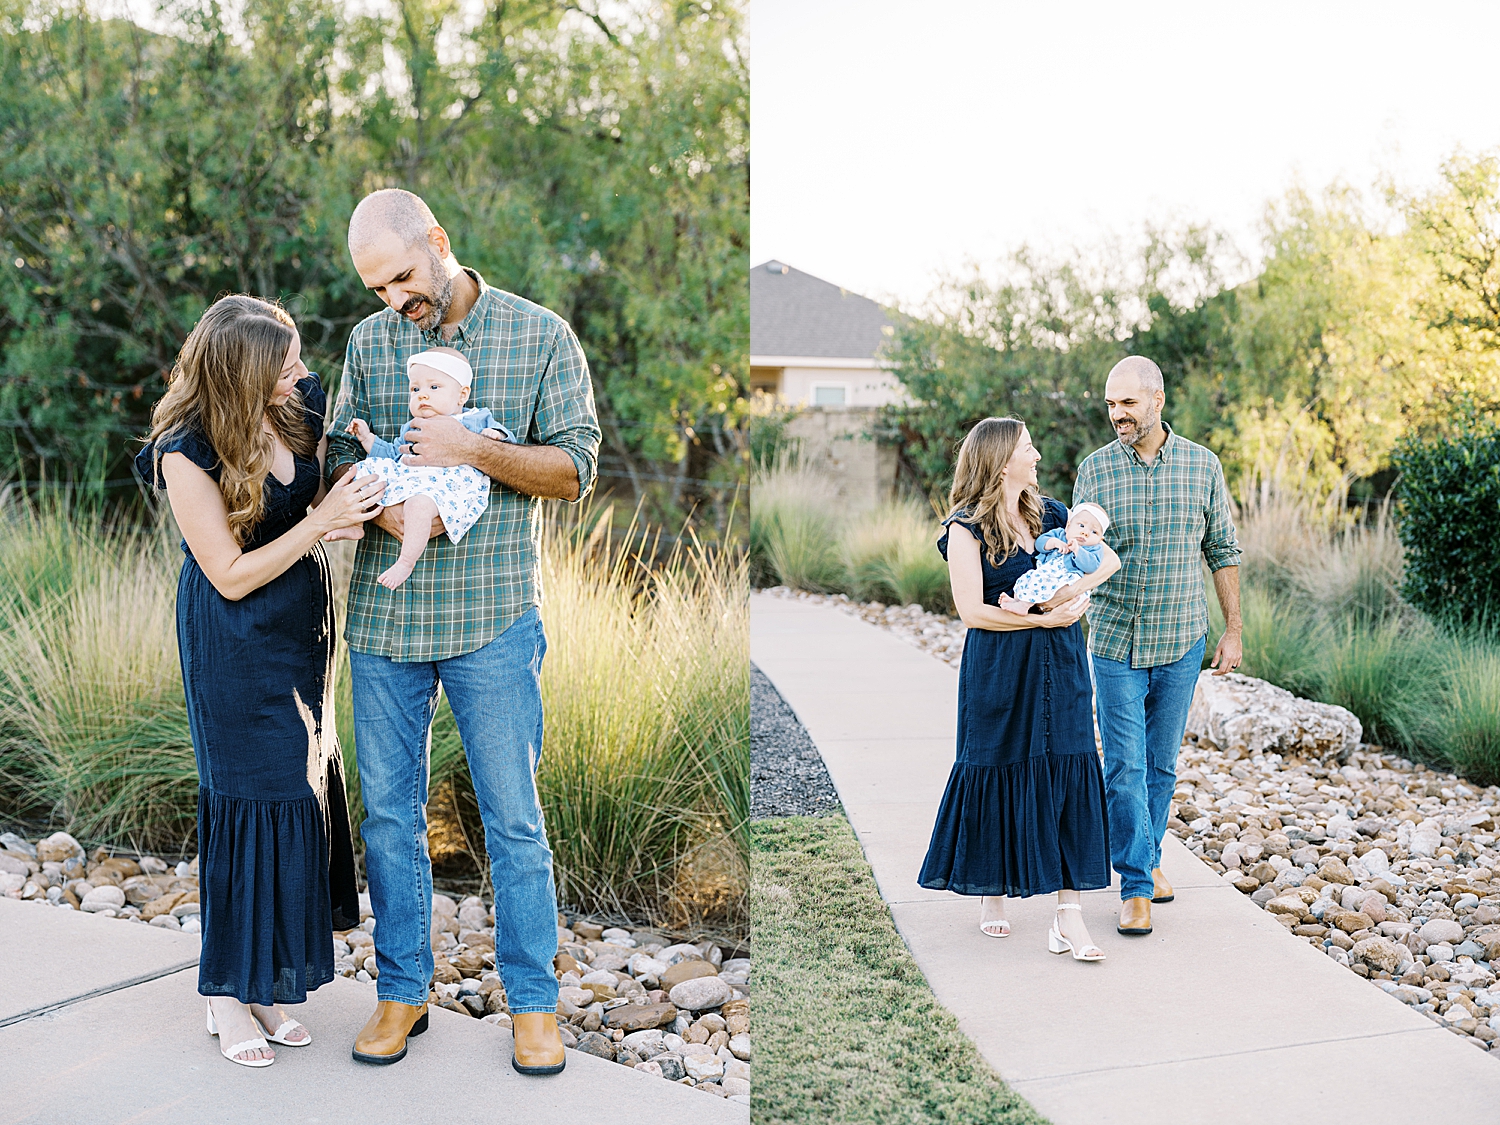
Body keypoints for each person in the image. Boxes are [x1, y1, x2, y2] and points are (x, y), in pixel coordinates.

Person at [326, 188, 601, 1075]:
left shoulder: (539, 335)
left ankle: (533, 1002)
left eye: (403, 279)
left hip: (493, 621)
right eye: (377, 289)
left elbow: (574, 470)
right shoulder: (369, 345)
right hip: (383, 621)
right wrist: (402, 509)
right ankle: (402, 991)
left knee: (513, 819)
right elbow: (337, 455)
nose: (394, 302)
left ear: (438, 244)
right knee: (390, 823)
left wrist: (472, 451)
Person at [135, 294, 384, 1068]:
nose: (304, 374)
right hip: (235, 642)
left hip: (305, 633)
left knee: (297, 793)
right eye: (287, 365)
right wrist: (320, 522)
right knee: (250, 800)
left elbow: (315, 489)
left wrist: (363, 466)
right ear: (244, 373)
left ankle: (264, 982)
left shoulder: (295, 407)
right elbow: (231, 573)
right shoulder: (186, 448)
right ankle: (223, 992)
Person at [917, 417, 1121, 961]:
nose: (1036, 455)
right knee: (996, 762)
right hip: (1001, 666)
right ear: (1003, 459)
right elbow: (972, 612)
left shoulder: (1055, 514)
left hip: (1061, 664)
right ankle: (992, 892)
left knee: (1069, 765)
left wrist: (1066, 595)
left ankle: (1069, 918)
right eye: (1028, 448)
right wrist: (1040, 620)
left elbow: (1107, 561)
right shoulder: (966, 527)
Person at [1073, 355, 1243, 937]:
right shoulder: (1094, 471)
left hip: (1180, 643)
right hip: (1116, 640)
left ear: (1157, 400)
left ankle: (1146, 857)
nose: (1116, 414)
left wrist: (1234, 628)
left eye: (1127, 403)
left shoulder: (1202, 466)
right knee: (1123, 765)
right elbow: (1079, 554)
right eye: (1110, 404)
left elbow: (1222, 549)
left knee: (1161, 766)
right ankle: (1137, 886)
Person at [332, 346, 515, 589]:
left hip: (445, 486)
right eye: (415, 389)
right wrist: (367, 439)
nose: (423, 395)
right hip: (411, 477)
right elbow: (391, 454)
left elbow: (507, 444)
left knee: (418, 505)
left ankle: (406, 562)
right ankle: (354, 524)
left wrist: (494, 436)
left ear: (462, 395)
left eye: (434, 387)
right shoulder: (412, 426)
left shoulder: (475, 419)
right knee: (363, 471)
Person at [999, 502, 1110, 614]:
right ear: (1068, 526)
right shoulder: (1060, 534)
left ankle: (1024, 606)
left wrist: (1078, 551)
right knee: (1029, 578)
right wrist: (1054, 542)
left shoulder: (1094, 549)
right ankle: (1017, 601)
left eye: (1094, 532)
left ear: (1100, 539)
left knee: (1044, 581)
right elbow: (1039, 543)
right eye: (1081, 525)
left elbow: (1091, 567)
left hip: (1068, 582)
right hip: (1048, 574)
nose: (1085, 533)